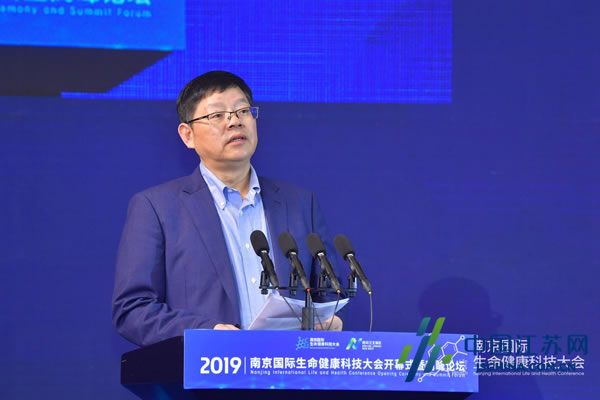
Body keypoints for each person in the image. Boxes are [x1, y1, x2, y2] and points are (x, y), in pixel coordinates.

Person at [112, 71, 343, 346]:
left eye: (243, 111)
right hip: (209, 368)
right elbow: (133, 309)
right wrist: (206, 333)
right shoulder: (157, 208)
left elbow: (327, 292)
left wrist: (328, 320)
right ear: (188, 135)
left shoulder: (301, 203)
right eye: (217, 115)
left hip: (288, 365)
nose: (235, 121)